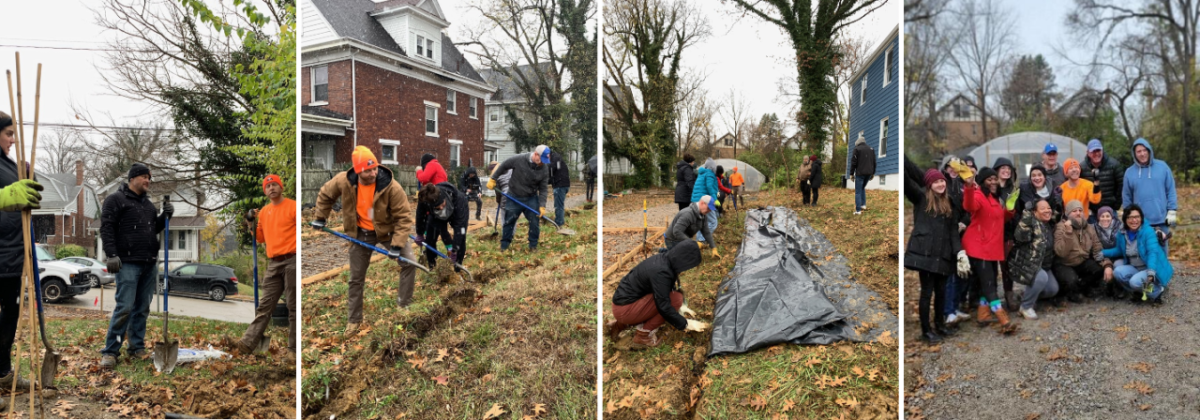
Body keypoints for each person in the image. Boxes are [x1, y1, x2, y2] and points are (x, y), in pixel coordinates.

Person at [315, 146, 416, 334]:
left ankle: (404, 307)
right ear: (357, 171)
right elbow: (325, 194)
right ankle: (353, 320)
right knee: (355, 278)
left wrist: (397, 245)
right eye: (367, 170)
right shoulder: (344, 181)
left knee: (409, 262)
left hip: (387, 231)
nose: (373, 173)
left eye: (375, 168)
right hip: (361, 233)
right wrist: (321, 217)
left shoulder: (391, 186)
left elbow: (404, 218)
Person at [99, 163, 175, 368]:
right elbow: (106, 227)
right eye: (144, 177)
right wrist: (112, 254)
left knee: (142, 308)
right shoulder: (115, 200)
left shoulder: (148, 205)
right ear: (132, 178)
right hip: (127, 263)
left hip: (149, 262)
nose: (148, 181)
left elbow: (153, 229)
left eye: (149, 178)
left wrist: (165, 216)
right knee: (125, 307)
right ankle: (110, 351)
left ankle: (136, 347)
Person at [901, 153, 962, 343]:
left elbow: (953, 231)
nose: (940, 185)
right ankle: (926, 330)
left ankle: (940, 325)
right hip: (925, 253)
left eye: (941, 182)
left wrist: (959, 252)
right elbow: (906, 180)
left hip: (944, 255)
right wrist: (899, 157)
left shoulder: (949, 204)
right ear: (929, 185)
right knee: (927, 293)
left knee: (941, 292)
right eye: (935, 183)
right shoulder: (921, 198)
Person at [237, 174, 298, 364]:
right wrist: (250, 223)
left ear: (281, 187)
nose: (271, 188)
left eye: (274, 185)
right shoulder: (263, 212)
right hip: (274, 263)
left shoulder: (293, 206)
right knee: (264, 305)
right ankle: (247, 344)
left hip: (292, 259)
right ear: (265, 191)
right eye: (268, 186)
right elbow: (259, 238)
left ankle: (294, 351)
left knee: (293, 306)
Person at [0, 112, 42, 387]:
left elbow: (27, 198)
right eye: (9, 134)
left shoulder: (8, 165)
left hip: (13, 255)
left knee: (9, 319)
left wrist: (27, 178)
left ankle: (3, 373)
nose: (14, 140)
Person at [607, 240, 708, 349]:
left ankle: (617, 326)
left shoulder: (665, 260)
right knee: (675, 300)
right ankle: (642, 336)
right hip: (624, 310)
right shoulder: (662, 272)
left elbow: (665, 289)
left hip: (623, 305)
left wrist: (681, 309)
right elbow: (664, 306)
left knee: (673, 299)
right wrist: (685, 324)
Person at [960, 166, 1017, 331]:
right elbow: (969, 206)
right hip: (978, 247)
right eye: (989, 179)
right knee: (989, 282)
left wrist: (1010, 209)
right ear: (983, 181)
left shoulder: (994, 199)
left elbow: (998, 219)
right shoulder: (978, 195)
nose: (993, 182)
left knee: (990, 280)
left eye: (995, 179)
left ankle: (983, 315)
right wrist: (969, 186)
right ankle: (1002, 318)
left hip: (991, 248)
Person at [1103, 204, 1174, 303]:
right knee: (1118, 272)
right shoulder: (1122, 232)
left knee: (1135, 282)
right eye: (1130, 217)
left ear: (1141, 218)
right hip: (1135, 266)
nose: (1134, 220)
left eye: (1137, 217)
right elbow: (1119, 250)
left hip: (1150, 266)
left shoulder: (1148, 231)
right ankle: (1139, 291)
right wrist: (1101, 252)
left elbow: (1152, 253)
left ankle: (1157, 291)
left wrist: (1151, 272)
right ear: (1125, 219)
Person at [487, 145, 551, 251]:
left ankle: (533, 245)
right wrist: (493, 178)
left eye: (545, 161)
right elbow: (503, 165)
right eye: (541, 160)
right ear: (535, 154)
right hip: (514, 196)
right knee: (509, 221)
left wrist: (542, 205)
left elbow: (543, 188)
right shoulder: (519, 159)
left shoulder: (544, 169)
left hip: (531, 197)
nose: (542, 163)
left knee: (534, 221)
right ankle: (505, 245)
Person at [1122, 138, 1177, 254]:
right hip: (1140, 222)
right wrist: (1128, 217)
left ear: (1149, 150)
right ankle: (1148, 272)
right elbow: (1127, 197)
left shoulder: (1162, 167)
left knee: (1162, 253)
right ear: (1134, 154)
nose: (1142, 154)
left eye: (1144, 150)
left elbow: (1170, 190)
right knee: (1144, 253)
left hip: (1161, 219)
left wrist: (1172, 210)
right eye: (1138, 151)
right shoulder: (1129, 172)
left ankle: (1163, 272)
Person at [1053, 200, 1113, 303]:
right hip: (1065, 263)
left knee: (1099, 269)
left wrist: (1107, 265)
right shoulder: (1060, 227)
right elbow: (1061, 252)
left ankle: (1081, 288)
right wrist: (1068, 233)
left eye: (1080, 210)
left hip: (1081, 261)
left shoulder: (1088, 227)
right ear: (1068, 214)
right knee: (1071, 280)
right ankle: (1069, 293)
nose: (1078, 213)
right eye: (1074, 211)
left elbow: (1097, 248)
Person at [1009, 199, 1059, 319]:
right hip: (1026, 264)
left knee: (1052, 289)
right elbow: (1020, 236)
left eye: (1048, 208)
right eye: (1042, 208)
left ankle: (1027, 295)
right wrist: (1026, 217)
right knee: (1042, 278)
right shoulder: (1030, 223)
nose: (1047, 211)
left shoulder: (1049, 223)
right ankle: (1025, 307)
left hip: (1043, 265)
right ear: (1035, 212)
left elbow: (1059, 214)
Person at [415, 182, 469, 280]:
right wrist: (419, 233)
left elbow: (460, 228)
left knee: (460, 239)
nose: (441, 208)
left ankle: (457, 268)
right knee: (430, 238)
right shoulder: (425, 199)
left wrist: (455, 250)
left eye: (441, 204)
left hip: (456, 211)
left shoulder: (458, 200)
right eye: (437, 207)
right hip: (435, 215)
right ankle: (432, 266)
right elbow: (420, 214)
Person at [993, 157, 1021, 311]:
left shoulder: (1013, 190)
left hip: (1007, 234)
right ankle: (987, 299)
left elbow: (1018, 212)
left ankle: (1009, 295)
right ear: (996, 170)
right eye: (1003, 168)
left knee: (1007, 267)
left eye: (1009, 168)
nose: (1006, 171)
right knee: (990, 269)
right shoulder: (990, 188)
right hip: (991, 234)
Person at [1081, 139, 1123, 222]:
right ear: (1088, 153)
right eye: (1093, 151)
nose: (1096, 153)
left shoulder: (1114, 165)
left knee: (1111, 234)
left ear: (1102, 150)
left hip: (1110, 211)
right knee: (1093, 234)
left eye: (1098, 150)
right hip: (1092, 212)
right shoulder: (1082, 168)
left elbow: (1121, 186)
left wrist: (1116, 205)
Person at [690, 159, 720, 243]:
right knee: (713, 222)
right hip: (704, 201)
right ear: (713, 167)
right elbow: (709, 186)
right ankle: (701, 240)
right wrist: (715, 199)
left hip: (695, 200)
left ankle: (699, 240)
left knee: (702, 222)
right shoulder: (710, 174)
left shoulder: (701, 174)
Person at [849, 133, 876, 214]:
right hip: (869, 173)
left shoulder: (857, 149)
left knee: (858, 191)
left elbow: (853, 162)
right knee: (862, 188)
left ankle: (858, 210)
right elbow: (874, 162)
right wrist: (873, 173)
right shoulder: (871, 149)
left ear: (857, 143)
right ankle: (863, 204)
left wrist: (851, 174)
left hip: (860, 173)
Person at [548, 150, 571, 226]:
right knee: (559, 205)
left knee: (558, 206)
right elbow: (553, 175)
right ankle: (559, 221)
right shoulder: (557, 158)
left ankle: (559, 223)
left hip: (560, 185)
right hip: (563, 184)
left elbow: (551, 170)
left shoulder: (555, 159)